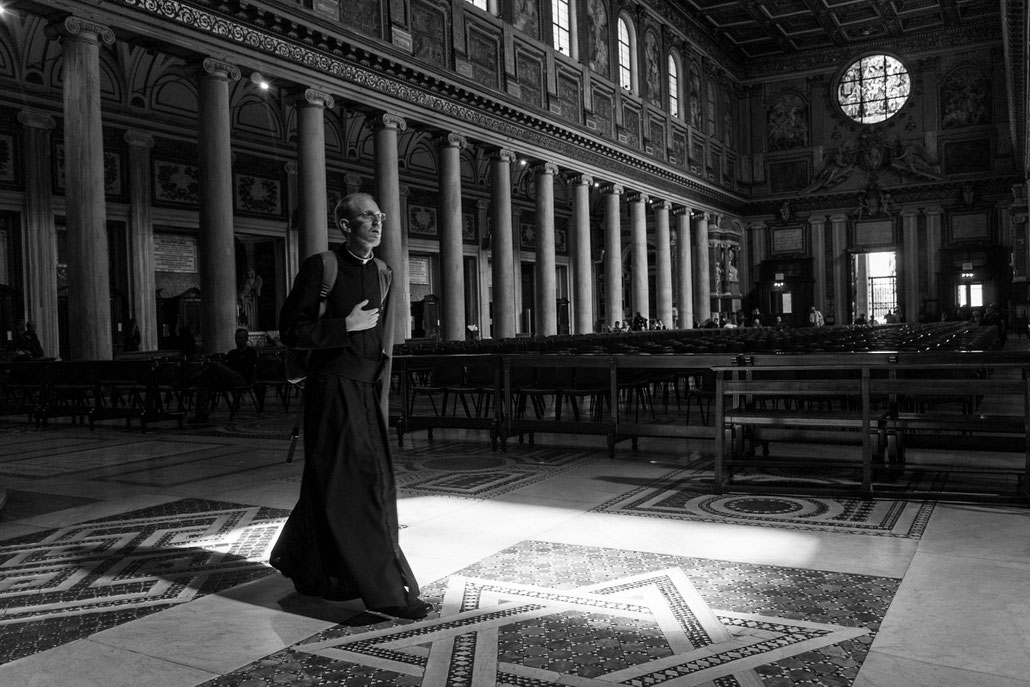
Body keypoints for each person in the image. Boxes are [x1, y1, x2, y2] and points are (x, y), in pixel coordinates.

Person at [270, 192, 430, 621]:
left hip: (364, 391)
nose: (377, 224)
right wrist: (345, 325)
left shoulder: (382, 271)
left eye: (379, 216)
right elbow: (291, 329)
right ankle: (386, 592)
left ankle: (316, 572)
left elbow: (381, 342)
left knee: (340, 483)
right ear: (345, 225)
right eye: (366, 217)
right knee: (356, 487)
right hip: (331, 389)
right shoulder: (321, 266)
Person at [188, 327, 258, 423]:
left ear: (246, 339)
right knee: (203, 385)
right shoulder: (233, 353)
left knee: (215, 365)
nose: (238, 341)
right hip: (227, 378)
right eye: (237, 338)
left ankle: (191, 380)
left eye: (241, 338)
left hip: (241, 379)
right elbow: (225, 364)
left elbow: (248, 368)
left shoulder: (251, 352)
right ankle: (201, 414)